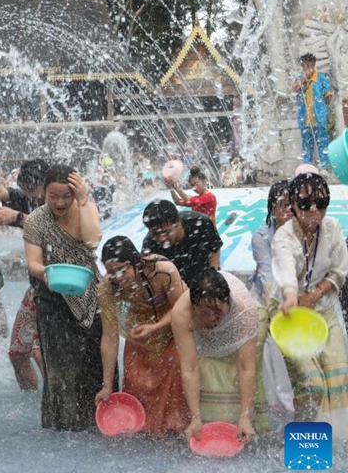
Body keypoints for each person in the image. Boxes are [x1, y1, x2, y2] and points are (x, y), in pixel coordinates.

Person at [23, 164, 103, 431]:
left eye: (66, 196)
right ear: (43, 193)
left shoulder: (86, 208)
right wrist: (46, 273)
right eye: (53, 196)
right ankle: (62, 424)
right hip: (52, 298)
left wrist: (82, 201)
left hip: (90, 296)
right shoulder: (35, 219)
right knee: (60, 367)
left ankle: (97, 422)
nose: (59, 202)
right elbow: (33, 262)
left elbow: (92, 242)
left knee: (94, 362)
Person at [271, 173, 348, 438]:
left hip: (324, 309)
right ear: (292, 204)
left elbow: (340, 272)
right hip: (291, 315)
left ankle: (338, 444)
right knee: (312, 385)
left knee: (339, 379)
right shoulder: (283, 237)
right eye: (305, 203)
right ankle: (305, 447)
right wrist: (292, 296)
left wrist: (315, 295)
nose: (314, 209)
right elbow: (285, 268)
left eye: (321, 201)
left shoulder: (333, 228)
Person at [95, 236, 189, 438]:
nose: (118, 277)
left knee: (175, 372)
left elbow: (181, 309)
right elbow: (109, 339)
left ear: (135, 262)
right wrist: (107, 386)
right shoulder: (106, 289)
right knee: (136, 376)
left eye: (122, 269)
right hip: (140, 331)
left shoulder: (163, 270)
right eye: (112, 272)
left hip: (173, 327)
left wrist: (155, 327)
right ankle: (146, 428)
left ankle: (175, 429)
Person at [170, 267, 269, 442]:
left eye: (217, 311)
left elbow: (246, 368)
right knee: (207, 375)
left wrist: (245, 416)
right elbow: (190, 368)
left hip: (244, 323)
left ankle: (252, 425)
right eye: (204, 312)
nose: (211, 318)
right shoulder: (181, 314)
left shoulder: (244, 312)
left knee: (241, 378)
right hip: (204, 332)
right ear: (193, 306)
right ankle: (207, 424)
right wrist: (195, 417)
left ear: (228, 303)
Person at [0, 159, 49, 390]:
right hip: (37, 289)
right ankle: (31, 399)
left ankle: (55, 396)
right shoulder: (26, 198)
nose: (31, 195)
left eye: (33, 189)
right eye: (26, 190)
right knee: (18, 353)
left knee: (49, 354)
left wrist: (17, 217)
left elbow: (56, 231)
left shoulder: (60, 200)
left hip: (62, 288)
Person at [250, 180, 295, 415]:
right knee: (260, 340)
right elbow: (267, 274)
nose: (286, 210)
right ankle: (266, 403)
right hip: (264, 296)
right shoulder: (262, 236)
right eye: (281, 205)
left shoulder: (305, 230)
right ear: (271, 208)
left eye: (291, 205)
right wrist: (273, 310)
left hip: (297, 294)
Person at [141, 200, 223, 286]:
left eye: (166, 232)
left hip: (205, 271)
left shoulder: (200, 222)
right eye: (155, 234)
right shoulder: (150, 245)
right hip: (178, 283)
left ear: (178, 221)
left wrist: (213, 274)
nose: (161, 238)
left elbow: (214, 248)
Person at [292, 52, 333, 169]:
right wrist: (304, 79)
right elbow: (294, 88)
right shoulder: (300, 78)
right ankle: (307, 166)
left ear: (313, 65)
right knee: (306, 144)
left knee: (323, 142)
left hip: (319, 118)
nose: (307, 68)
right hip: (305, 118)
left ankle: (325, 167)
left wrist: (322, 107)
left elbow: (328, 95)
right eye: (304, 66)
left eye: (309, 65)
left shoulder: (321, 78)